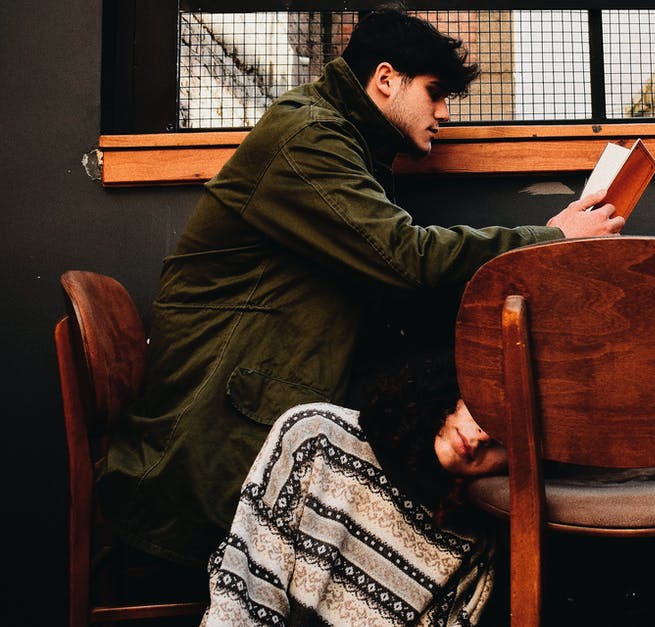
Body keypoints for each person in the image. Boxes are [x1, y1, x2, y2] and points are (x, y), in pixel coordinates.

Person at [97, 2, 622, 593]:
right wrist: (546, 241)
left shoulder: (344, 147)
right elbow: (405, 255)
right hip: (210, 453)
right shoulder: (307, 137)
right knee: (458, 501)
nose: (444, 114)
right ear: (386, 79)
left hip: (252, 424)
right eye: (436, 93)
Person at [203, 348, 508, 626]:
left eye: (505, 439)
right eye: (484, 411)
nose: (483, 436)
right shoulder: (316, 437)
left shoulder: (474, 545)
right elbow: (243, 592)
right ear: (458, 387)